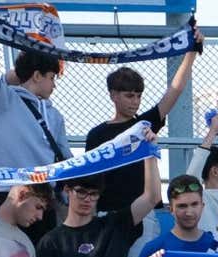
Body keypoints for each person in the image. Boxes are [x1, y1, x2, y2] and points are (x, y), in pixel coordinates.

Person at [0, 11, 65, 242]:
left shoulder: (55, 116)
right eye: (52, 77)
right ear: (37, 75)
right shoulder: (5, 98)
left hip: (45, 199)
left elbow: (66, 158)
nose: (54, 85)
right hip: (8, 195)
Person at [85, 35, 202, 212]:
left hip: (146, 212)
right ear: (113, 95)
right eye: (129, 96)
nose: (135, 101)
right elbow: (89, 182)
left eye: (139, 96)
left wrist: (191, 52)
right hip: (108, 214)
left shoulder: (144, 125)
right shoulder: (96, 135)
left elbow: (175, 90)